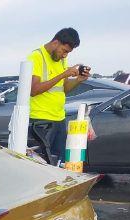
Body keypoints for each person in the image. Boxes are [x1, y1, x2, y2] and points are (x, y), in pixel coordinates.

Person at [28, 27, 90, 165]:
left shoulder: (61, 61)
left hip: (59, 119)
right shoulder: (36, 57)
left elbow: (64, 89)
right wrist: (62, 75)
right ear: (55, 43)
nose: (65, 55)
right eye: (64, 51)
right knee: (41, 164)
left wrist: (78, 80)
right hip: (40, 121)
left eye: (68, 53)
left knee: (59, 164)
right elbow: (34, 90)